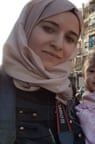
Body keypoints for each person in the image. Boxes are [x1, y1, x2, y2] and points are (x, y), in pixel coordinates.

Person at [0, 0, 83, 143]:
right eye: (49, 29)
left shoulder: (66, 90)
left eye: (69, 39)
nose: (58, 45)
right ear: (26, 27)